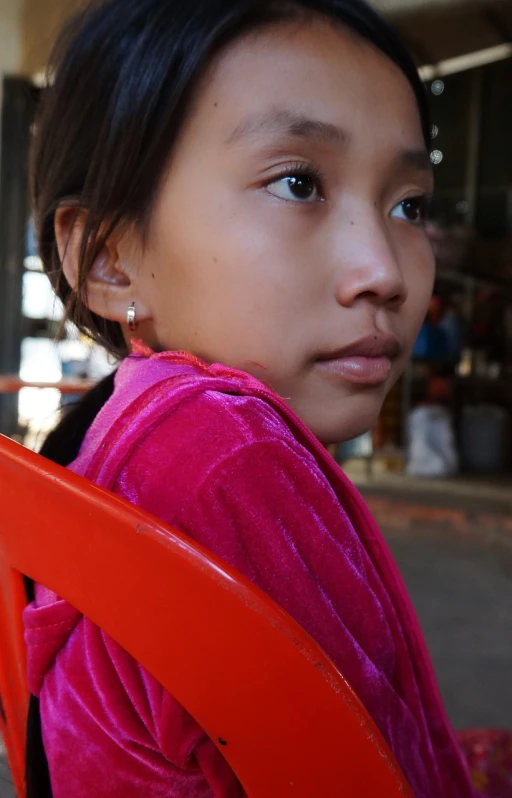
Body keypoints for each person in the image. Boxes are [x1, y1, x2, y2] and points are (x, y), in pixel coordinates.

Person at [21, 0, 499, 795]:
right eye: (299, 182)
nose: (383, 269)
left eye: (409, 204)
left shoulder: (127, 426)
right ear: (110, 259)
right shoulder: (224, 453)